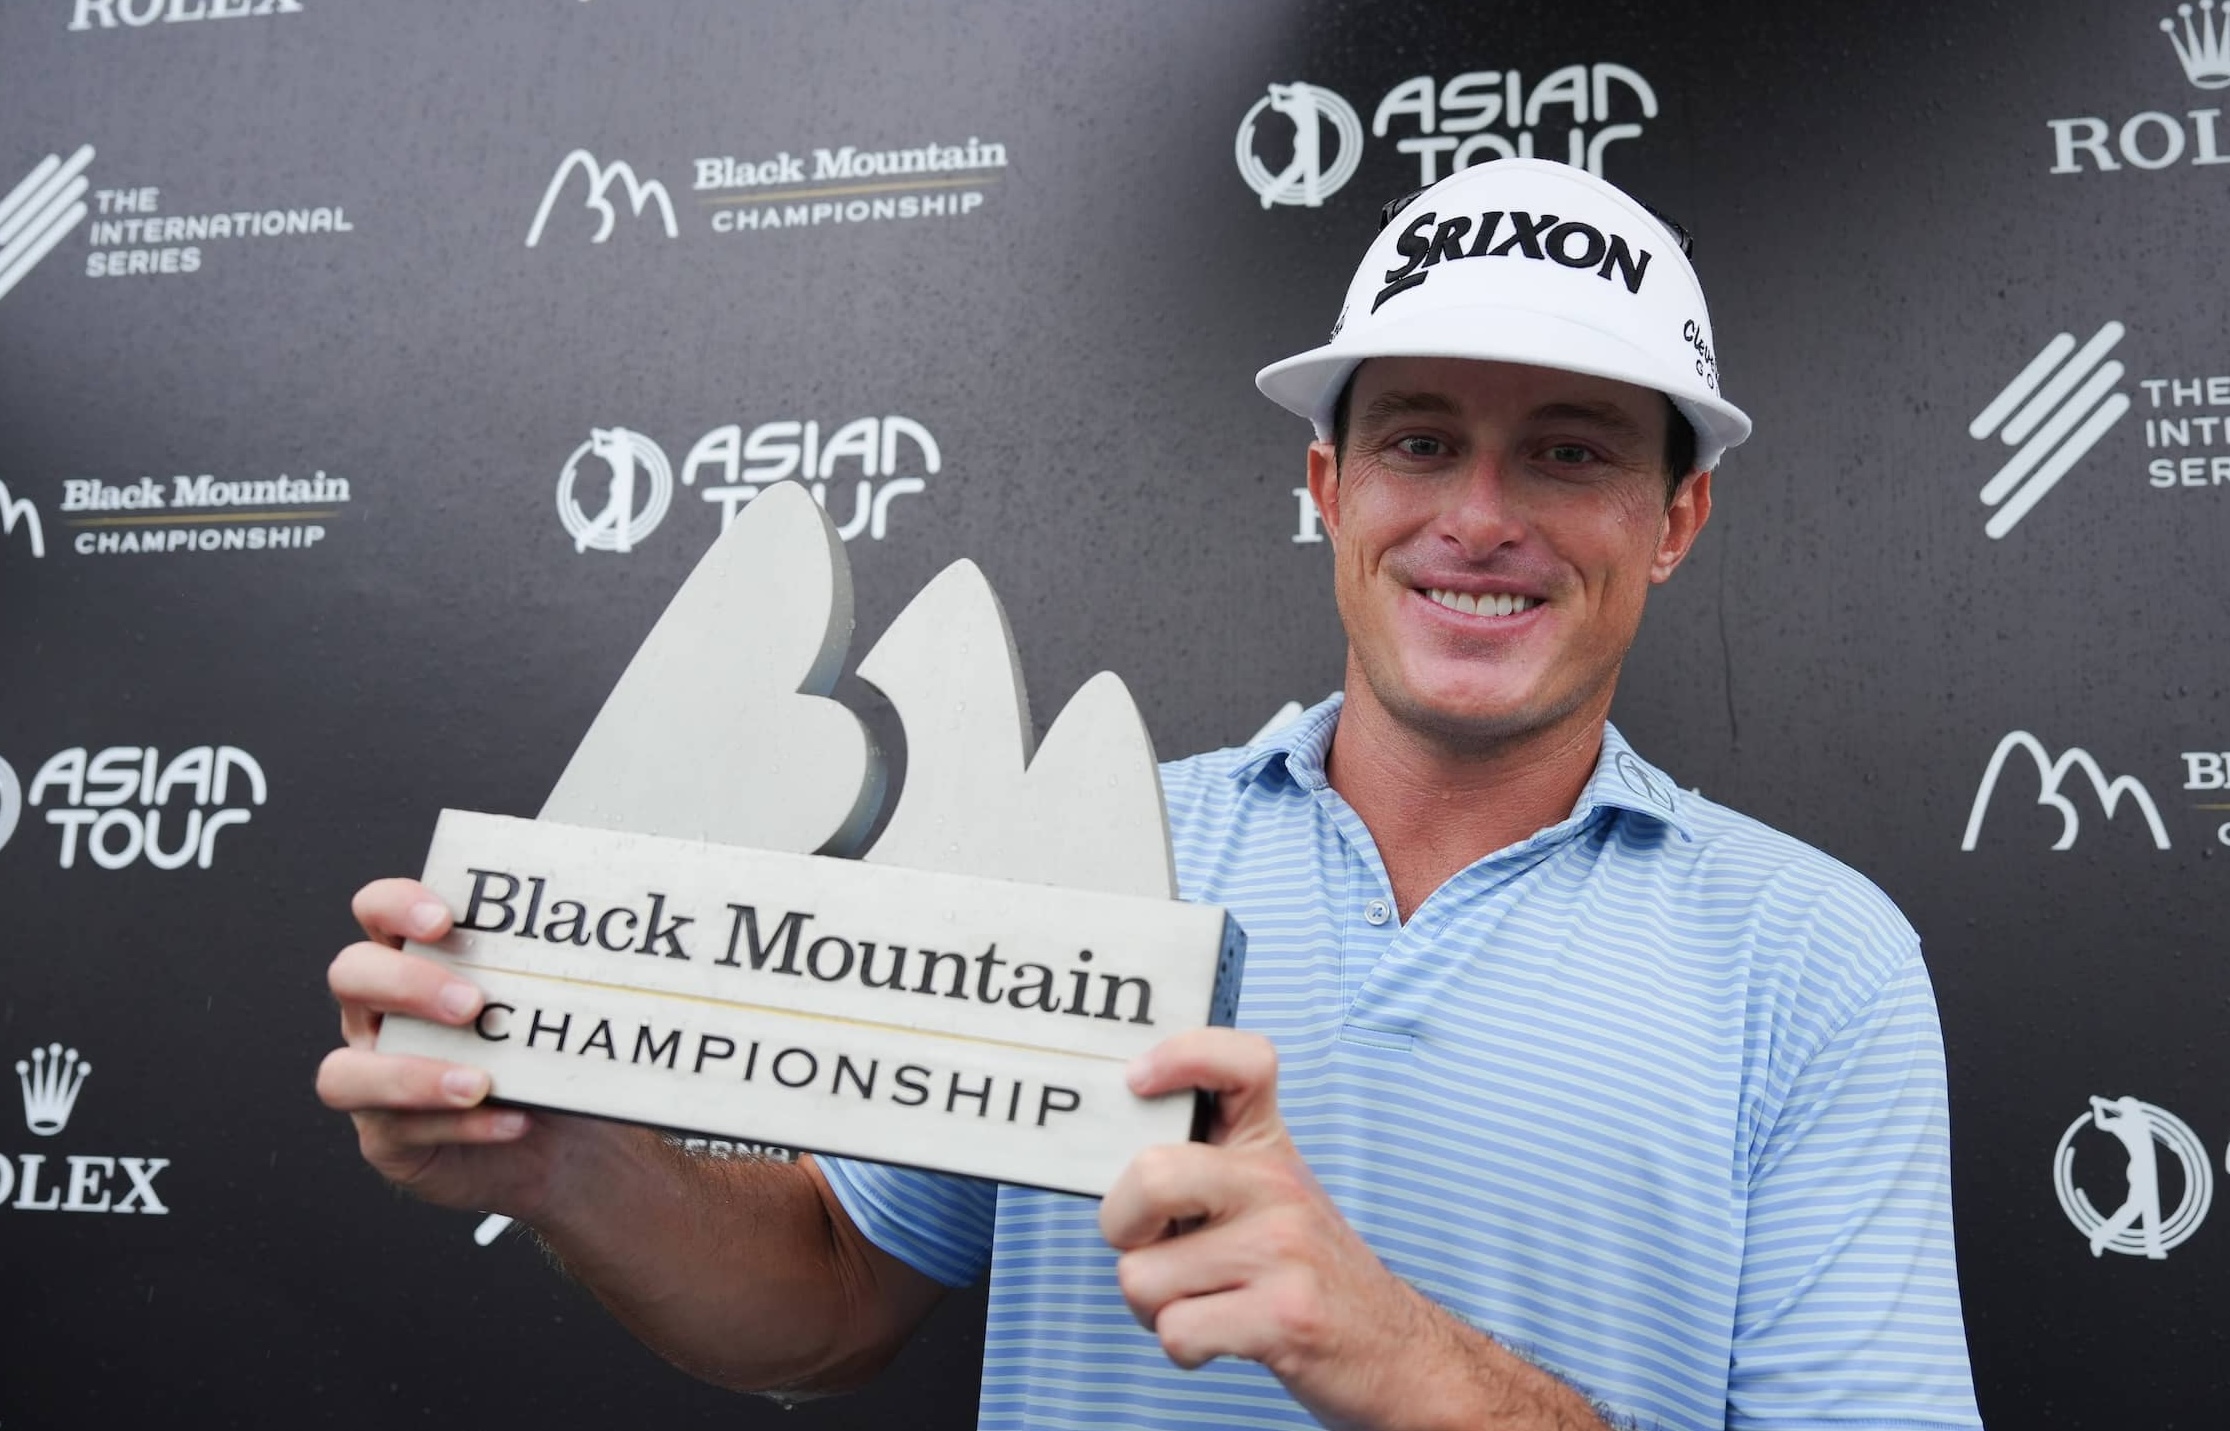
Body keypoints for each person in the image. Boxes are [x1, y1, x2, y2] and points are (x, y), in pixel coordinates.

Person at [319, 158, 1982, 1430]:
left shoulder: (1811, 957)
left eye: (1568, 451)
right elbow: (823, 1302)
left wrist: (1376, 1344)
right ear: (1327, 488)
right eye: (1416, 443)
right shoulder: (1100, 850)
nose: (1478, 517)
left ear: (1674, 521)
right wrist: (560, 1156)